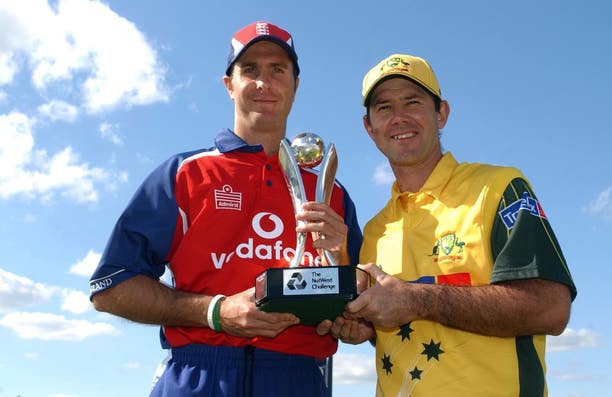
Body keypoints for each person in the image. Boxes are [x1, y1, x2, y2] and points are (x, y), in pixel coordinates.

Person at [89, 21, 362, 397]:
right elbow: (111, 288)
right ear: (228, 84)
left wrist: (348, 312)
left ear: (295, 86)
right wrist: (214, 312)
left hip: (298, 379)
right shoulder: (185, 173)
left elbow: (361, 306)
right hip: (199, 374)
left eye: (277, 70)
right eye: (250, 70)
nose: (263, 83)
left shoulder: (332, 194)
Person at [318, 54, 577, 396]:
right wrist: (364, 325)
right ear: (369, 127)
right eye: (384, 108)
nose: (399, 118)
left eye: (412, 102)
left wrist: (419, 300)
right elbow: (403, 331)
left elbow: (551, 308)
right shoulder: (376, 229)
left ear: (441, 113)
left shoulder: (498, 188)